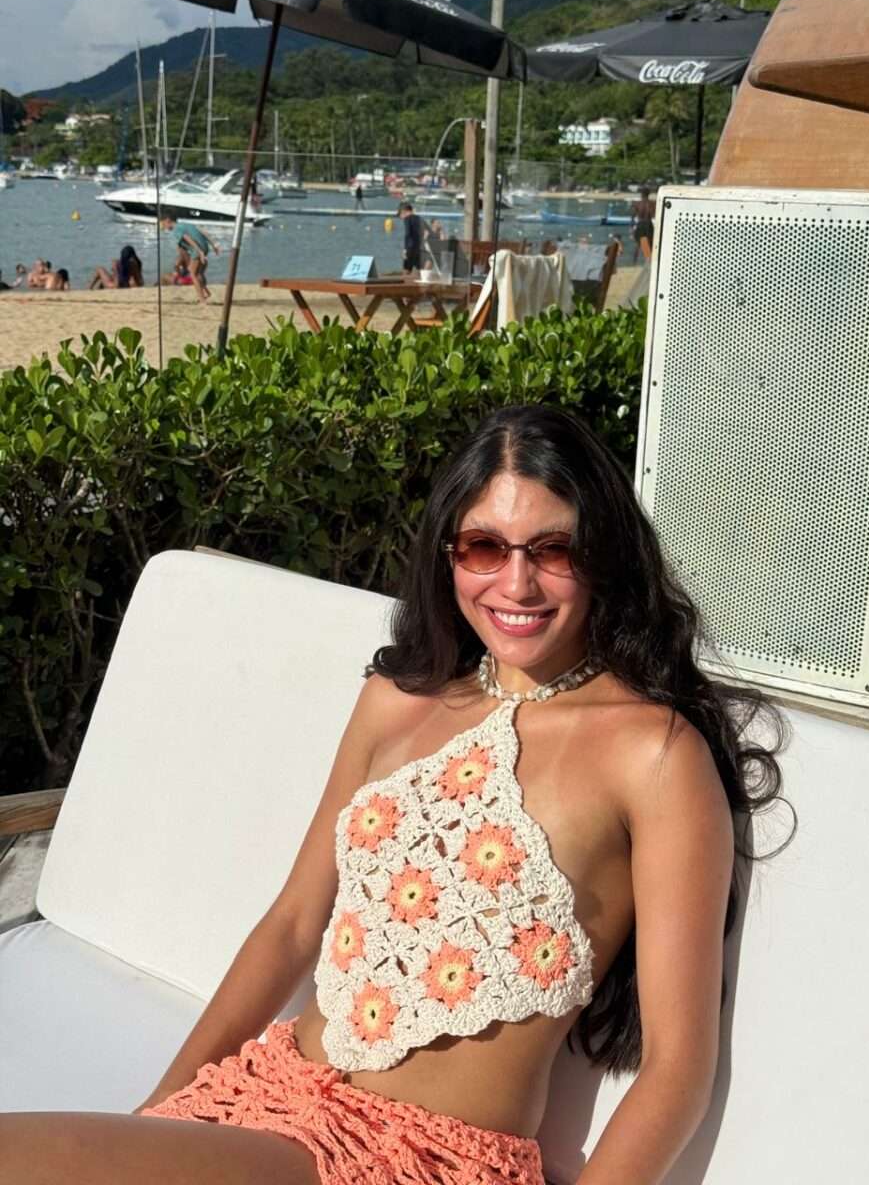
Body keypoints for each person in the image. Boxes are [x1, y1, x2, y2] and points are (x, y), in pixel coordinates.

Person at [0, 405, 791, 1185]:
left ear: (604, 554)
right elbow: (292, 925)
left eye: (554, 549)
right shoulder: (398, 701)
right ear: (449, 554)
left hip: (425, 1160)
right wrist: (159, 1113)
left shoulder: (652, 754)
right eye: (485, 547)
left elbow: (678, 1069)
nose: (517, 583)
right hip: (265, 1102)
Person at [160, 210, 220, 303]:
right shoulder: (185, 224)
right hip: (205, 247)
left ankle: (202, 300)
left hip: (197, 249)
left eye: (163, 224)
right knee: (198, 273)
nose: (163, 227)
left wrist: (199, 252)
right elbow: (202, 232)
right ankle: (207, 293)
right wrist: (214, 244)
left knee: (193, 274)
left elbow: (188, 239)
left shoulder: (176, 230)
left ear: (168, 220)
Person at [397, 201, 425, 276]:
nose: (401, 218)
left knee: (406, 270)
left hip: (410, 247)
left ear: (403, 211)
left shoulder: (407, 219)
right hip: (419, 247)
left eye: (400, 215)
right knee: (419, 271)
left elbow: (407, 234)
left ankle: (404, 282)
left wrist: (405, 250)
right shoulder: (419, 218)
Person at [631, 187, 655, 264]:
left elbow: (632, 217)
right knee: (650, 243)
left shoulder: (637, 204)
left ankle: (634, 262)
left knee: (638, 244)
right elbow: (654, 215)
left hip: (640, 224)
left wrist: (632, 228)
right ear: (649, 194)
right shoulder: (652, 204)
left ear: (641, 194)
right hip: (648, 224)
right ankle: (649, 261)